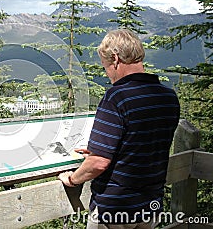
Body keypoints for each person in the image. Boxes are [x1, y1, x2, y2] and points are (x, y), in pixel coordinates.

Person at [59, 29, 180, 228]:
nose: (107, 74)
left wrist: (72, 179)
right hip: (150, 207)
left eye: (105, 66)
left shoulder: (116, 98)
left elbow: (98, 164)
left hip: (115, 210)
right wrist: (98, 149)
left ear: (115, 59)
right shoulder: (168, 97)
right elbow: (142, 145)